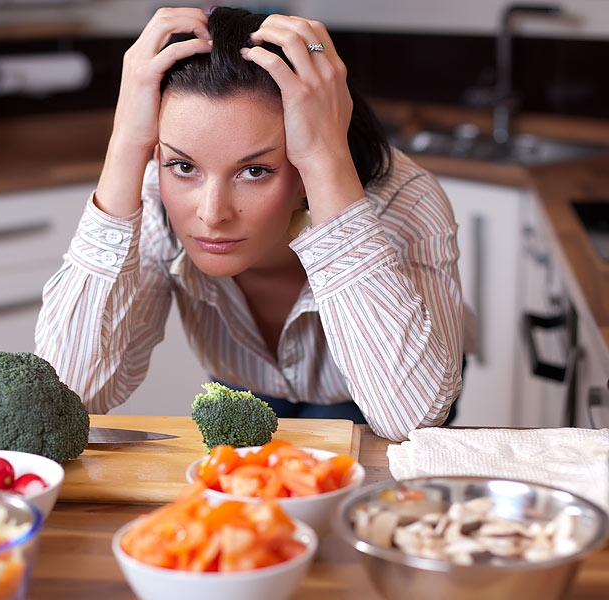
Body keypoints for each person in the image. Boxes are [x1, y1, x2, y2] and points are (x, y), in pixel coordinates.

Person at [35, 5, 465, 442]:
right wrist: (126, 141)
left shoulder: (401, 202)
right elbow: (65, 395)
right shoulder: (150, 195)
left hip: (386, 388)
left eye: (255, 171)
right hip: (244, 387)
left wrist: (324, 159)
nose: (211, 212)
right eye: (183, 165)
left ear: (302, 162)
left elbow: (410, 418)